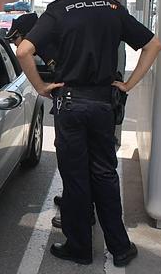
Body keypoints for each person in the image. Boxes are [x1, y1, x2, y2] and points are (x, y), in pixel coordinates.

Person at [16, 0, 161, 267]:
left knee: (76, 178)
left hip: (70, 104)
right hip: (103, 105)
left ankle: (80, 247)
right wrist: (128, 85)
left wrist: (41, 85)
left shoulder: (58, 11)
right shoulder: (113, 8)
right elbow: (153, 45)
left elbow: (23, 50)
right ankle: (120, 247)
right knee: (106, 175)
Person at [7, 12, 96, 230]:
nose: (17, 44)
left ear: (27, 35)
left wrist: (42, 88)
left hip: (78, 106)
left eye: (16, 39)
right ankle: (74, 203)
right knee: (73, 161)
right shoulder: (52, 42)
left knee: (75, 162)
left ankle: (80, 214)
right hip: (81, 104)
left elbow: (26, 55)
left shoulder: (50, 46)